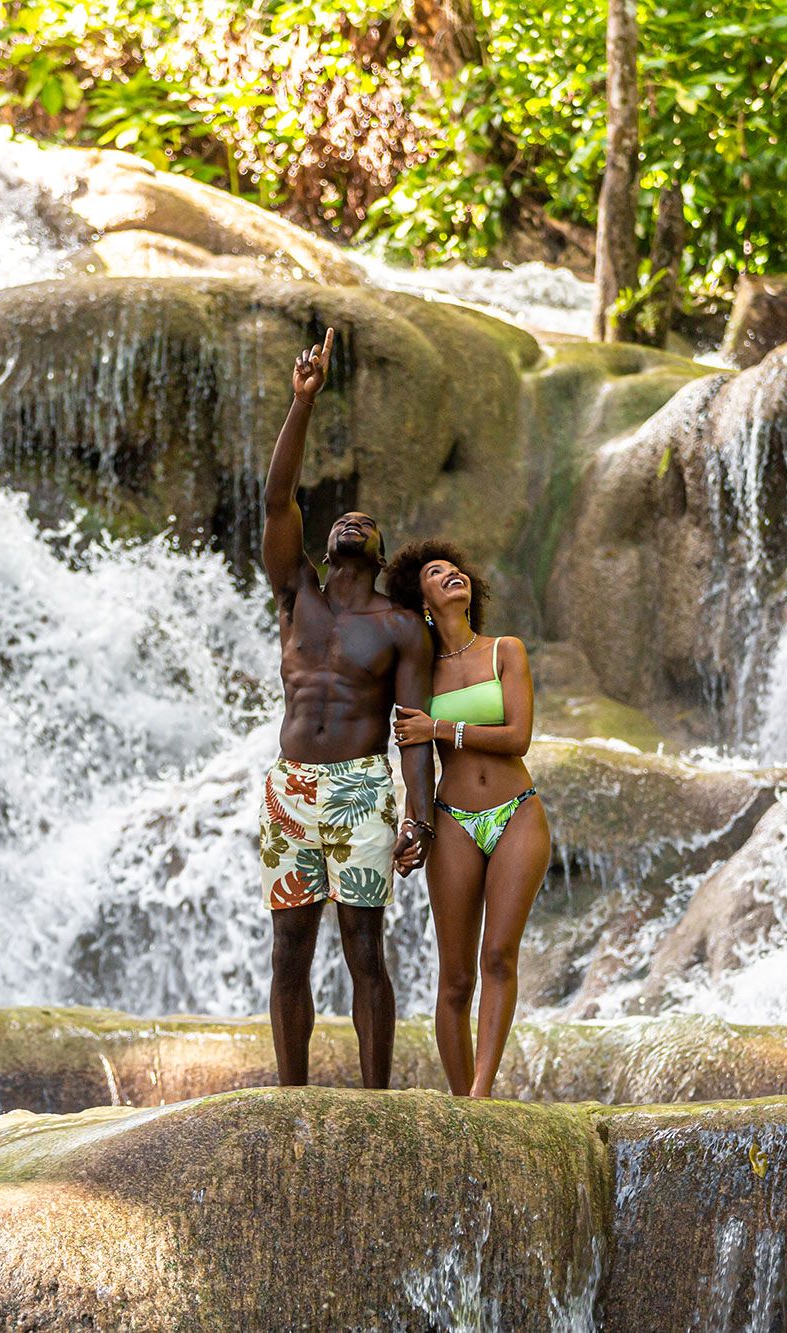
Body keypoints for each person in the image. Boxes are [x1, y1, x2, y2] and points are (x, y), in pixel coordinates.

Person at [259, 327, 436, 1090]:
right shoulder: (296, 594)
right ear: (326, 547)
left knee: (365, 949)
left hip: (364, 787)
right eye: (340, 520)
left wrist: (417, 816)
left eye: (363, 521)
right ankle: (290, 1094)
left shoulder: (401, 629)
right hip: (291, 788)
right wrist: (302, 402)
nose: (349, 520)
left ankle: (375, 1101)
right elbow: (276, 498)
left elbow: (414, 735)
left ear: (376, 548)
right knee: (288, 950)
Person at [385, 541, 550, 1098]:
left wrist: (441, 730)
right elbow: (413, 758)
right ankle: (460, 1110)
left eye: (456, 569)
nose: (453, 573)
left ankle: (481, 1098)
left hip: (517, 813)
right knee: (455, 978)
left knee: (498, 956)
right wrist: (415, 823)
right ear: (422, 599)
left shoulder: (506, 650)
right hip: (452, 817)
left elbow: (517, 738)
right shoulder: (418, 672)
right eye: (437, 572)